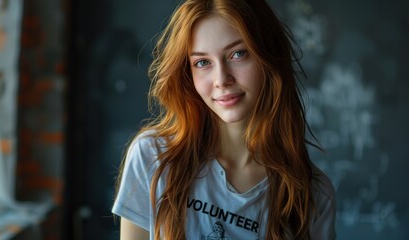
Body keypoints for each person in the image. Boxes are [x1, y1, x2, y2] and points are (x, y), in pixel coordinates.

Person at [112, 0, 336, 239]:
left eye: (238, 54)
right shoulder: (153, 157)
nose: (221, 79)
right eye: (202, 62)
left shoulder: (314, 194)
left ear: (268, 58)